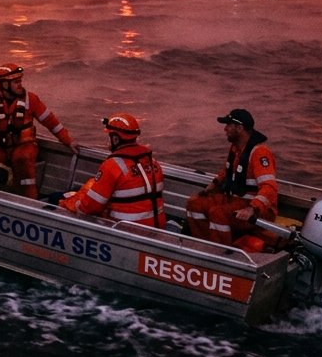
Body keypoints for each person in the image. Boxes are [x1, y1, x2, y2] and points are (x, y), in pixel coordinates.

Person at [186, 108, 279, 251]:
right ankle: (205, 247)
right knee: (194, 203)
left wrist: (252, 208)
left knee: (218, 213)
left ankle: (222, 253)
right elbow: (227, 172)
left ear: (239, 128)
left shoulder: (259, 153)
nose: (225, 129)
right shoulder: (236, 149)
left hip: (259, 209)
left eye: (228, 125)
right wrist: (214, 184)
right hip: (235, 200)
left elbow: (269, 187)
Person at [0, 63, 75, 198]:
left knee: (23, 159)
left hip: (23, 145)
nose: (20, 85)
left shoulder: (31, 100)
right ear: (4, 84)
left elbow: (50, 121)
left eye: (20, 81)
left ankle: (30, 201)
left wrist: (68, 140)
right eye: (16, 82)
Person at [58, 113, 165, 227]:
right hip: (157, 228)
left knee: (58, 198)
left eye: (109, 136)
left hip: (126, 231)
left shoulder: (113, 166)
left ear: (115, 139)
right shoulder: (153, 162)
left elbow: (90, 207)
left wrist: (67, 204)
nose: (107, 142)